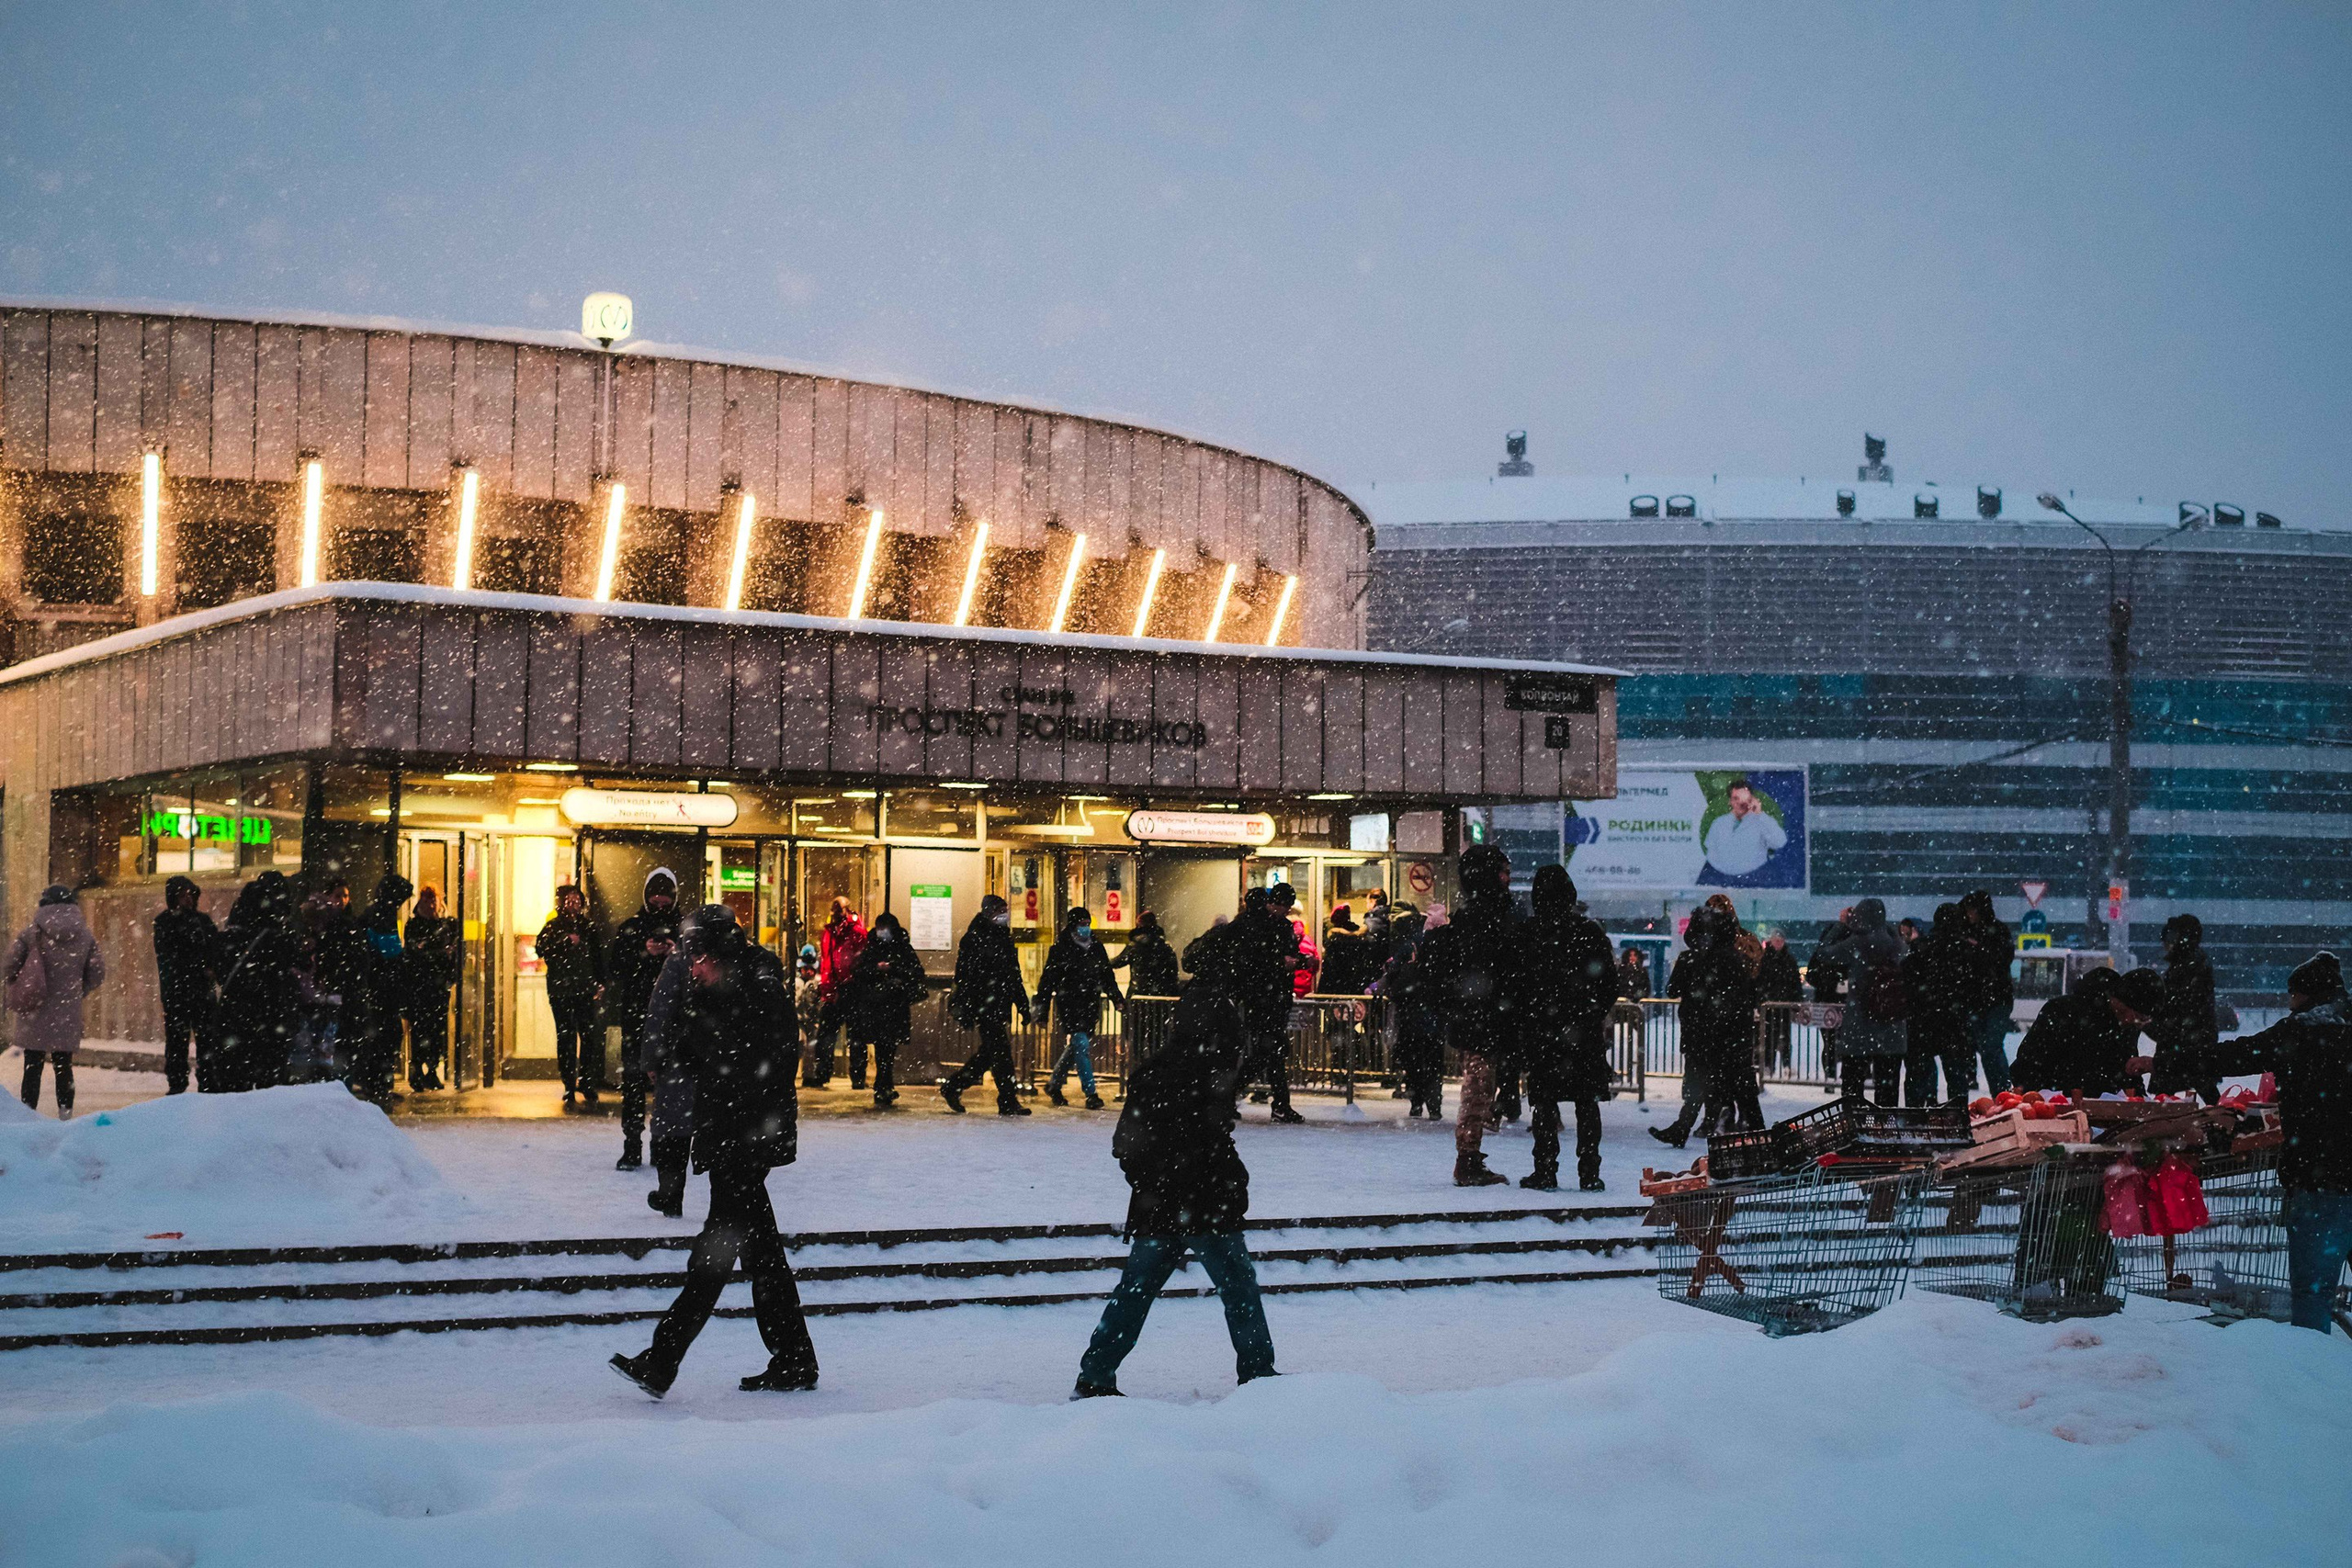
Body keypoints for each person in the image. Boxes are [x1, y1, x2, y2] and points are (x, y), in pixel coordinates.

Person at [610, 906, 817, 1398]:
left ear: (720, 954)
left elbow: (774, 1059)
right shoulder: (715, 991)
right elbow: (694, 1047)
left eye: (699, 957)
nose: (692, 967)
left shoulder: (757, 987)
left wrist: (732, 1092)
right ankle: (794, 1358)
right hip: (732, 1138)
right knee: (762, 1252)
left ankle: (663, 1360)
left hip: (745, 1141)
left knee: (715, 1254)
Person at [1073, 926, 1275, 1399]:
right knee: (1239, 1290)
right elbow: (1212, 1147)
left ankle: (1096, 1373)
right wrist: (1219, 1183)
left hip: (1160, 1204)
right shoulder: (1210, 1079)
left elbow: (1127, 1145)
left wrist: (1154, 1181)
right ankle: (1259, 1376)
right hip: (1203, 1205)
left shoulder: (1156, 1073)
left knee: (1136, 1291)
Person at [2132, 952, 2352, 1334]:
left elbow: (2234, 1055)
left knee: (2313, 1292)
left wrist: (2162, 1063)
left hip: (2322, 1175)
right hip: (2335, 1170)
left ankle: (2312, 1374)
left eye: (2292, 994)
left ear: (2305, 995)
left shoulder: (2302, 1031)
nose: (2289, 1002)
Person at [1418, 843, 1521, 1185]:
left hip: (1480, 1016)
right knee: (1477, 1088)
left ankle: (1471, 1155)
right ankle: (1469, 1159)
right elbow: (1488, 968)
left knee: (1481, 1087)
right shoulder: (1487, 916)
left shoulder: (1477, 914)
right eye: (1503, 871)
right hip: (1485, 1018)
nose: (1508, 877)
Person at [1516, 865, 1619, 1190]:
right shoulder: (1589, 932)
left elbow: (1515, 985)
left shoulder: (1529, 933)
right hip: (1583, 1032)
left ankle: (1545, 1170)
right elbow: (1608, 982)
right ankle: (1589, 1172)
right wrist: (1592, 1011)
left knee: (1544, 1103)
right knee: (1586, 1103)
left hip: (1543, 1032)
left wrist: (1531, 1016)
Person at [1652, 906, 1761, 1145]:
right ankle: (1755, 1132)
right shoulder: (1734, 959)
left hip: (1698, 1032)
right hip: (1730, 1034)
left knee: (1698, 1081)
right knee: (1740, 1086)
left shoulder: (1690, 959)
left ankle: (1684, 1127)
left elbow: (1673, 990)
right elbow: (1747, 996)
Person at [6, 885, 106, 1118]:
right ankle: (65, 1115)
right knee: (64, 1066)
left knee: (32, 1067)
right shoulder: (85, 935)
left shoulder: (32, 933)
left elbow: (9, 965)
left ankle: (28, 1114)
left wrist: (21, 981)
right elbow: (98, 972)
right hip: (66, 1010)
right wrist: (77, 990)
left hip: (35, 1008)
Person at [609, 869, 682, 1169]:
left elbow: (701, 969)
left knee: (671, 1087)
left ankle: (663, 1145)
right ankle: (632, 1145)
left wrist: (676, 954)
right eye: (656, 896)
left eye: (666, 897)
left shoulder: (686, 929)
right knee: (634, 1084)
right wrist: (644, 952)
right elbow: (615, 969)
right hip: (638, 1017)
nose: (661, 902)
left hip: (674, 1019)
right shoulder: (631, 928)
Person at [941, 895, 1032, 1115]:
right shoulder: (974, 938)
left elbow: (1013, 975)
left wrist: (1022, 1004)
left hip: (998, 1003)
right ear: (989, 912)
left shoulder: (1003, 938)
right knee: (1001, 1053)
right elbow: (964, 976)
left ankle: (953, 1086)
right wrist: (966, 1006)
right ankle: (1008, 1099)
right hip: (984, 1004)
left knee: (990, 1054)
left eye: (1005, 910)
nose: (1004, 915)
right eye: (1000, 910)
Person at [1813, 898, 1909, 1106]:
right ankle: (1885, 1129)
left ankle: (1857, 1127)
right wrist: (1888, 928)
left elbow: (1823, 953)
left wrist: (1841, 925)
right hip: (1891, 1026)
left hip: (1860, 1025)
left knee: (1853, 1087)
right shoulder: (1896, 944)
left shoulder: (1857, 942)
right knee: (1887, 1089)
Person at [2011, 966, 2162, 1097]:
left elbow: (2125, 1075)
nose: (2133, 1021)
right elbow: (2027, 1067)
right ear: (2120, 1001)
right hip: (2057, 1108)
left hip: (2107, 1113)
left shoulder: (2126, 1025)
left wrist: (2137, 1091)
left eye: (2143, 1019)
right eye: (2136, 1016)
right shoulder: (2062, 1011)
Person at [215, 871, 302, 1093]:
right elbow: (297, 961)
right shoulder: (274, 937)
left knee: (236, 1084)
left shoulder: (232, 934)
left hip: (235, 1017)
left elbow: (220, 970)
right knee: (270, 1083)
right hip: (270, 1016)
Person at [1038, 907, 1124, 1110]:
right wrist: (1042, 1010)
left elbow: (1107, 976)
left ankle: (1054, 1084)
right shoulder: (1061, 949)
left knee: (1076, 1046)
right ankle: (1091, 1093)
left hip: (1089, 1002)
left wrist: (1116, 998)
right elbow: (1048, 981)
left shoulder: (1096, 948)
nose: (1086, 928)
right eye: (1082, 924)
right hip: (1070, 1003)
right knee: (1081, 1044)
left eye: (1088, 924)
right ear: (1074, 925)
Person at [842, 910, 927, 1108]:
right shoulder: (875, 947)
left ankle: (883, 1085)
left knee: (886, 1048)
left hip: (888, 1005)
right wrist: (878, 970)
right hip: (880, 1006)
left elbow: (915, 972)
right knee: (885, 1048)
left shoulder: (896, 948)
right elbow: (860, 971)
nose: (881, 932)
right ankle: (884, 1085)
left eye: (884, 928)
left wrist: (892, 969)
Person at [344, 874, 412, 1106]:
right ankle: (378, 1085)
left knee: (380, 1037)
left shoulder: (374, 913)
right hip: (382, 989)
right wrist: (403, 962)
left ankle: (377, 1083)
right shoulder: (382, 915)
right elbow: (389, 953)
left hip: (376, 988)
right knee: (387, 1037)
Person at [537, 884, 605, 1106]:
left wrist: (600, 982)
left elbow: (597, 956)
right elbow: (542, 949)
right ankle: (570, 1083)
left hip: (581, 988)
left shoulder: (588, 927)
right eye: (570, 901)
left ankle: (584, 1082)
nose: (574, 905)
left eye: (577, 901)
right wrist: (565, 943)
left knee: (586, 1036)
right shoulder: (553, 927)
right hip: (562, 990)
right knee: (568, 1037)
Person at [153, 875, 220, 1095]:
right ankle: (179, 1082)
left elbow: (212, 952)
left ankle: (204, 1080)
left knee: (201, 1039)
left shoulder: (201, 922)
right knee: (179, 1041)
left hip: (193, 991)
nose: (187, 900)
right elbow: (170, 956)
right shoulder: (166, 923)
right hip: (180, 992)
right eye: (182, 896)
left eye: (190, 895)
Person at [2149, 912, 2222, 1102]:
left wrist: (2154, 1023)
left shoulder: (2185, 967)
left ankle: (2157, 1124)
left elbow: (2178, 1005)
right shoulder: (2194, 963)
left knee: (2168, 1089)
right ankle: (2226, 1120)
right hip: (2191, 1036)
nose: (2165, 943)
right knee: (2202, 1083)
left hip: (2183, 1037)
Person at [401, 885, 460, 1092]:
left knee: (436, 1030)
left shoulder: (447, 925)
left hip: (436, 987)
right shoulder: (416, 926)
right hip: (421, 987)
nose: (431, 904)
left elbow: (449, 954)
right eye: (427, 900)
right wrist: (438, 954)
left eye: (433, 900)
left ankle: (431, 1069)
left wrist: (428, 951)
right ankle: (419, 1069)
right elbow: (415, 953)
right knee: (421, 1029)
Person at [1955, 890, 2016, 1094]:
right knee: (1989, 1049)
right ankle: (2002, 1091)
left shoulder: (1991, 932)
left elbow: (2000, 959)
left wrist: (1977, 949)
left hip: (1989, 998)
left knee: (1990, 1047)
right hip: (1988, 998)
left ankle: (2003, 1090)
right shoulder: (1993, 931)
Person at [811, 897, 867, 1089]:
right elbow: (828, 962)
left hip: (850, 988)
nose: (835, 912)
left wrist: (850, 982)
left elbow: (859, 960)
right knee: (831, 1035)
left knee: (853, 1036)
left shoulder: (855, 932)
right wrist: (828, 987)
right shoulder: (830, 933)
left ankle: (856, 1076)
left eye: (838, 909)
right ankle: (826, 1072)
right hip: (836, 988)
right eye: (834, 909)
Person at [1699, 778, 1789, 885]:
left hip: (1753, 882)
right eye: (1736, 798)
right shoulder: (1719, 823)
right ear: (1730, 801)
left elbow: (1780, 842)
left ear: (1751, 800)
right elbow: (1711, 853)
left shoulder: (1762, 821)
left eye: (1745, 799)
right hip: (1722, 882)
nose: (1740, 803)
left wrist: (1760, 814)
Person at [1756, 930, 1804, 1069]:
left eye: (1780, 941)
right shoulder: (1766, 960)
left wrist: (1796, 1001)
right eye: (1776, 940)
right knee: (1770, 1037)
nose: (1778, 943)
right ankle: (1769, 1065)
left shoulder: (1787, 960)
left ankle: (1785, 1064)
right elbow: (1759, 983)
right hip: (1772, 1004)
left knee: (1782, 1036)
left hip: (1781, 1004)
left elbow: (1795, 983)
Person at [1110, 908, 1182, 998]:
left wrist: (1102, 960)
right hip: (1162, 995)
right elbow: (1173, 971)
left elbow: (1118, 962)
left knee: (1138, 1011)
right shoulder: (1165, 947)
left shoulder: (1135, 946)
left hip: (1139, 994)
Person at [792, 944, 822, 1083]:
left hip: (812, 1019)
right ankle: (794, 1071)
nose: (809, 972)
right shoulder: (795, 983)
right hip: (798, 1019)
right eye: (806, 968)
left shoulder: (817, 983)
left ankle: (809, 1075)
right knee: (799, 1043)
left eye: (811, 969)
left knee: (811, 1049)